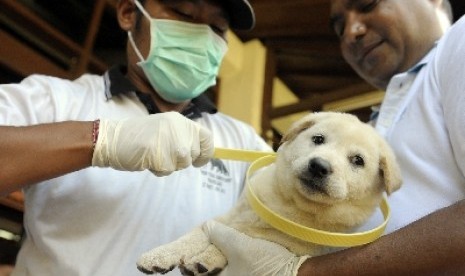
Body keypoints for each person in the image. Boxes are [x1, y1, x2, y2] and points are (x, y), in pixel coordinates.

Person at [0, 0, 271, 275]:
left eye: (217, 27)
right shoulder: (55, 101)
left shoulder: (242, 141)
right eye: (183, 13)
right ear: (129, 13)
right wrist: (103, 140)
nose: (201, 35)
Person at [205, 0, 465, 275]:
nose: (351, 32)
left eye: (367, 4)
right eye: (339, 29)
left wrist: (306, 271)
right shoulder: (382, 117)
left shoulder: (458, 43)